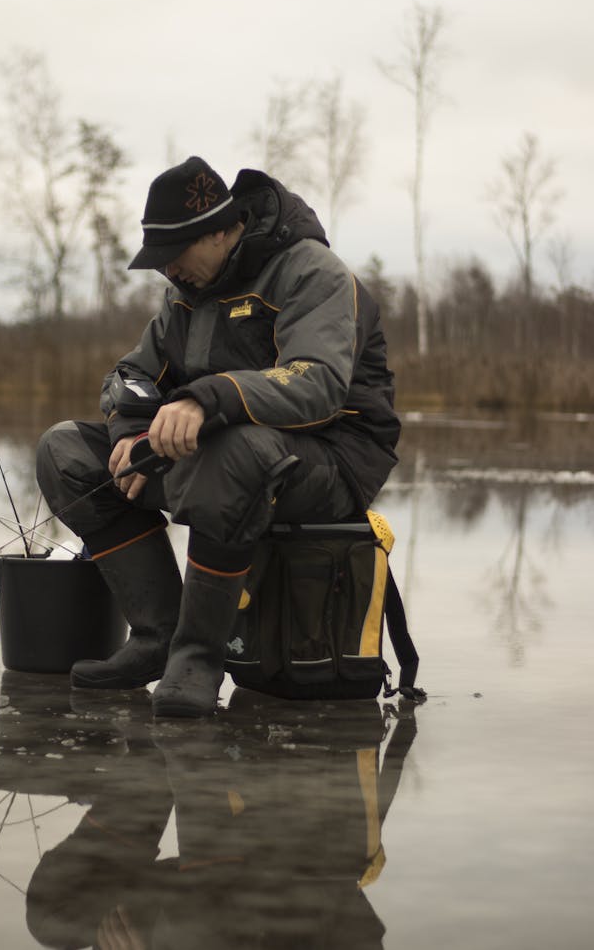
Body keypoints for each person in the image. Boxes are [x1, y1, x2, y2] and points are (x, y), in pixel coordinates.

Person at [36, 155, 400, 719]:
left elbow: (319, 385)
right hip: (228, 454)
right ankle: (157, 636)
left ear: (220, 232)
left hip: (335, 459)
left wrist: (210, 398)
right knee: (65, 451)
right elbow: (132, 373)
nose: (167, 272)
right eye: (159, 262)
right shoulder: (185, 292)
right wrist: (133, 434)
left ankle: (198, 657)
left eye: (174, 256)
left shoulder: (311, 272)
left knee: (233, 451)